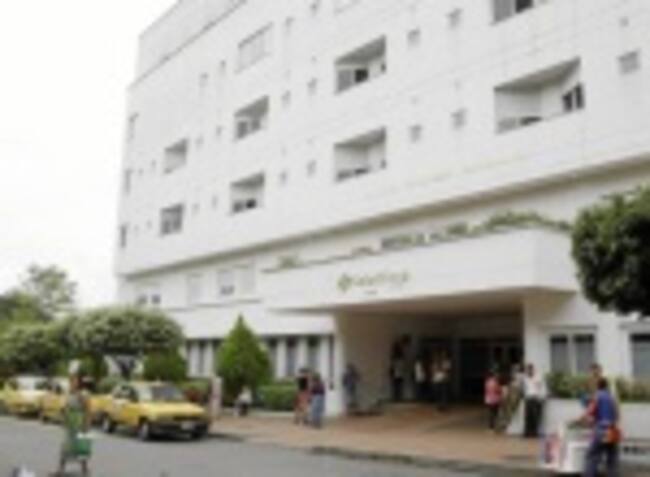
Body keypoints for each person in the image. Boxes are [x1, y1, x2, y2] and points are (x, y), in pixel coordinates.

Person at [581, 378, 621, 477]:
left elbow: (590, 411)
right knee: (612, 459)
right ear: (606, 386)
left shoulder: (597, 396)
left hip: (601, 429)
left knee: (592, 456)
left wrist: (582, 419)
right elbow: (617, 415)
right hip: (613, 429)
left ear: (597, 386)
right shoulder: (612, 397)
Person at [55, 374, 91, 477]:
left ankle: (85, 470)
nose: (72, 383)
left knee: (81, 447)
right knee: (65, 445)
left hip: (79, 422)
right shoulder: (69, 393)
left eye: (74, 381)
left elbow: (87, 410)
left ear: (79, 383)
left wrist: (86, 425)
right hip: (70, 422)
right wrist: (63, 415)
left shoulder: (83, 394)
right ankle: (60, 469)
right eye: (71, 381)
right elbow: (66, 407)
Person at [523, 363, 547, 438]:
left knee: (536, 417)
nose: (528, 372)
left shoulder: (539, 377)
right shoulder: (526, 378)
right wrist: (525, 396)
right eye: (527, 370)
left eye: (530, 370)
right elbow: (525, 389)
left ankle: (536, 433)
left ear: (533, 369)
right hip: (528, 399)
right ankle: (527, 433)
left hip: (537, 399)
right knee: (528, 417)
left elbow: (543, 388)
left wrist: (542, 398)